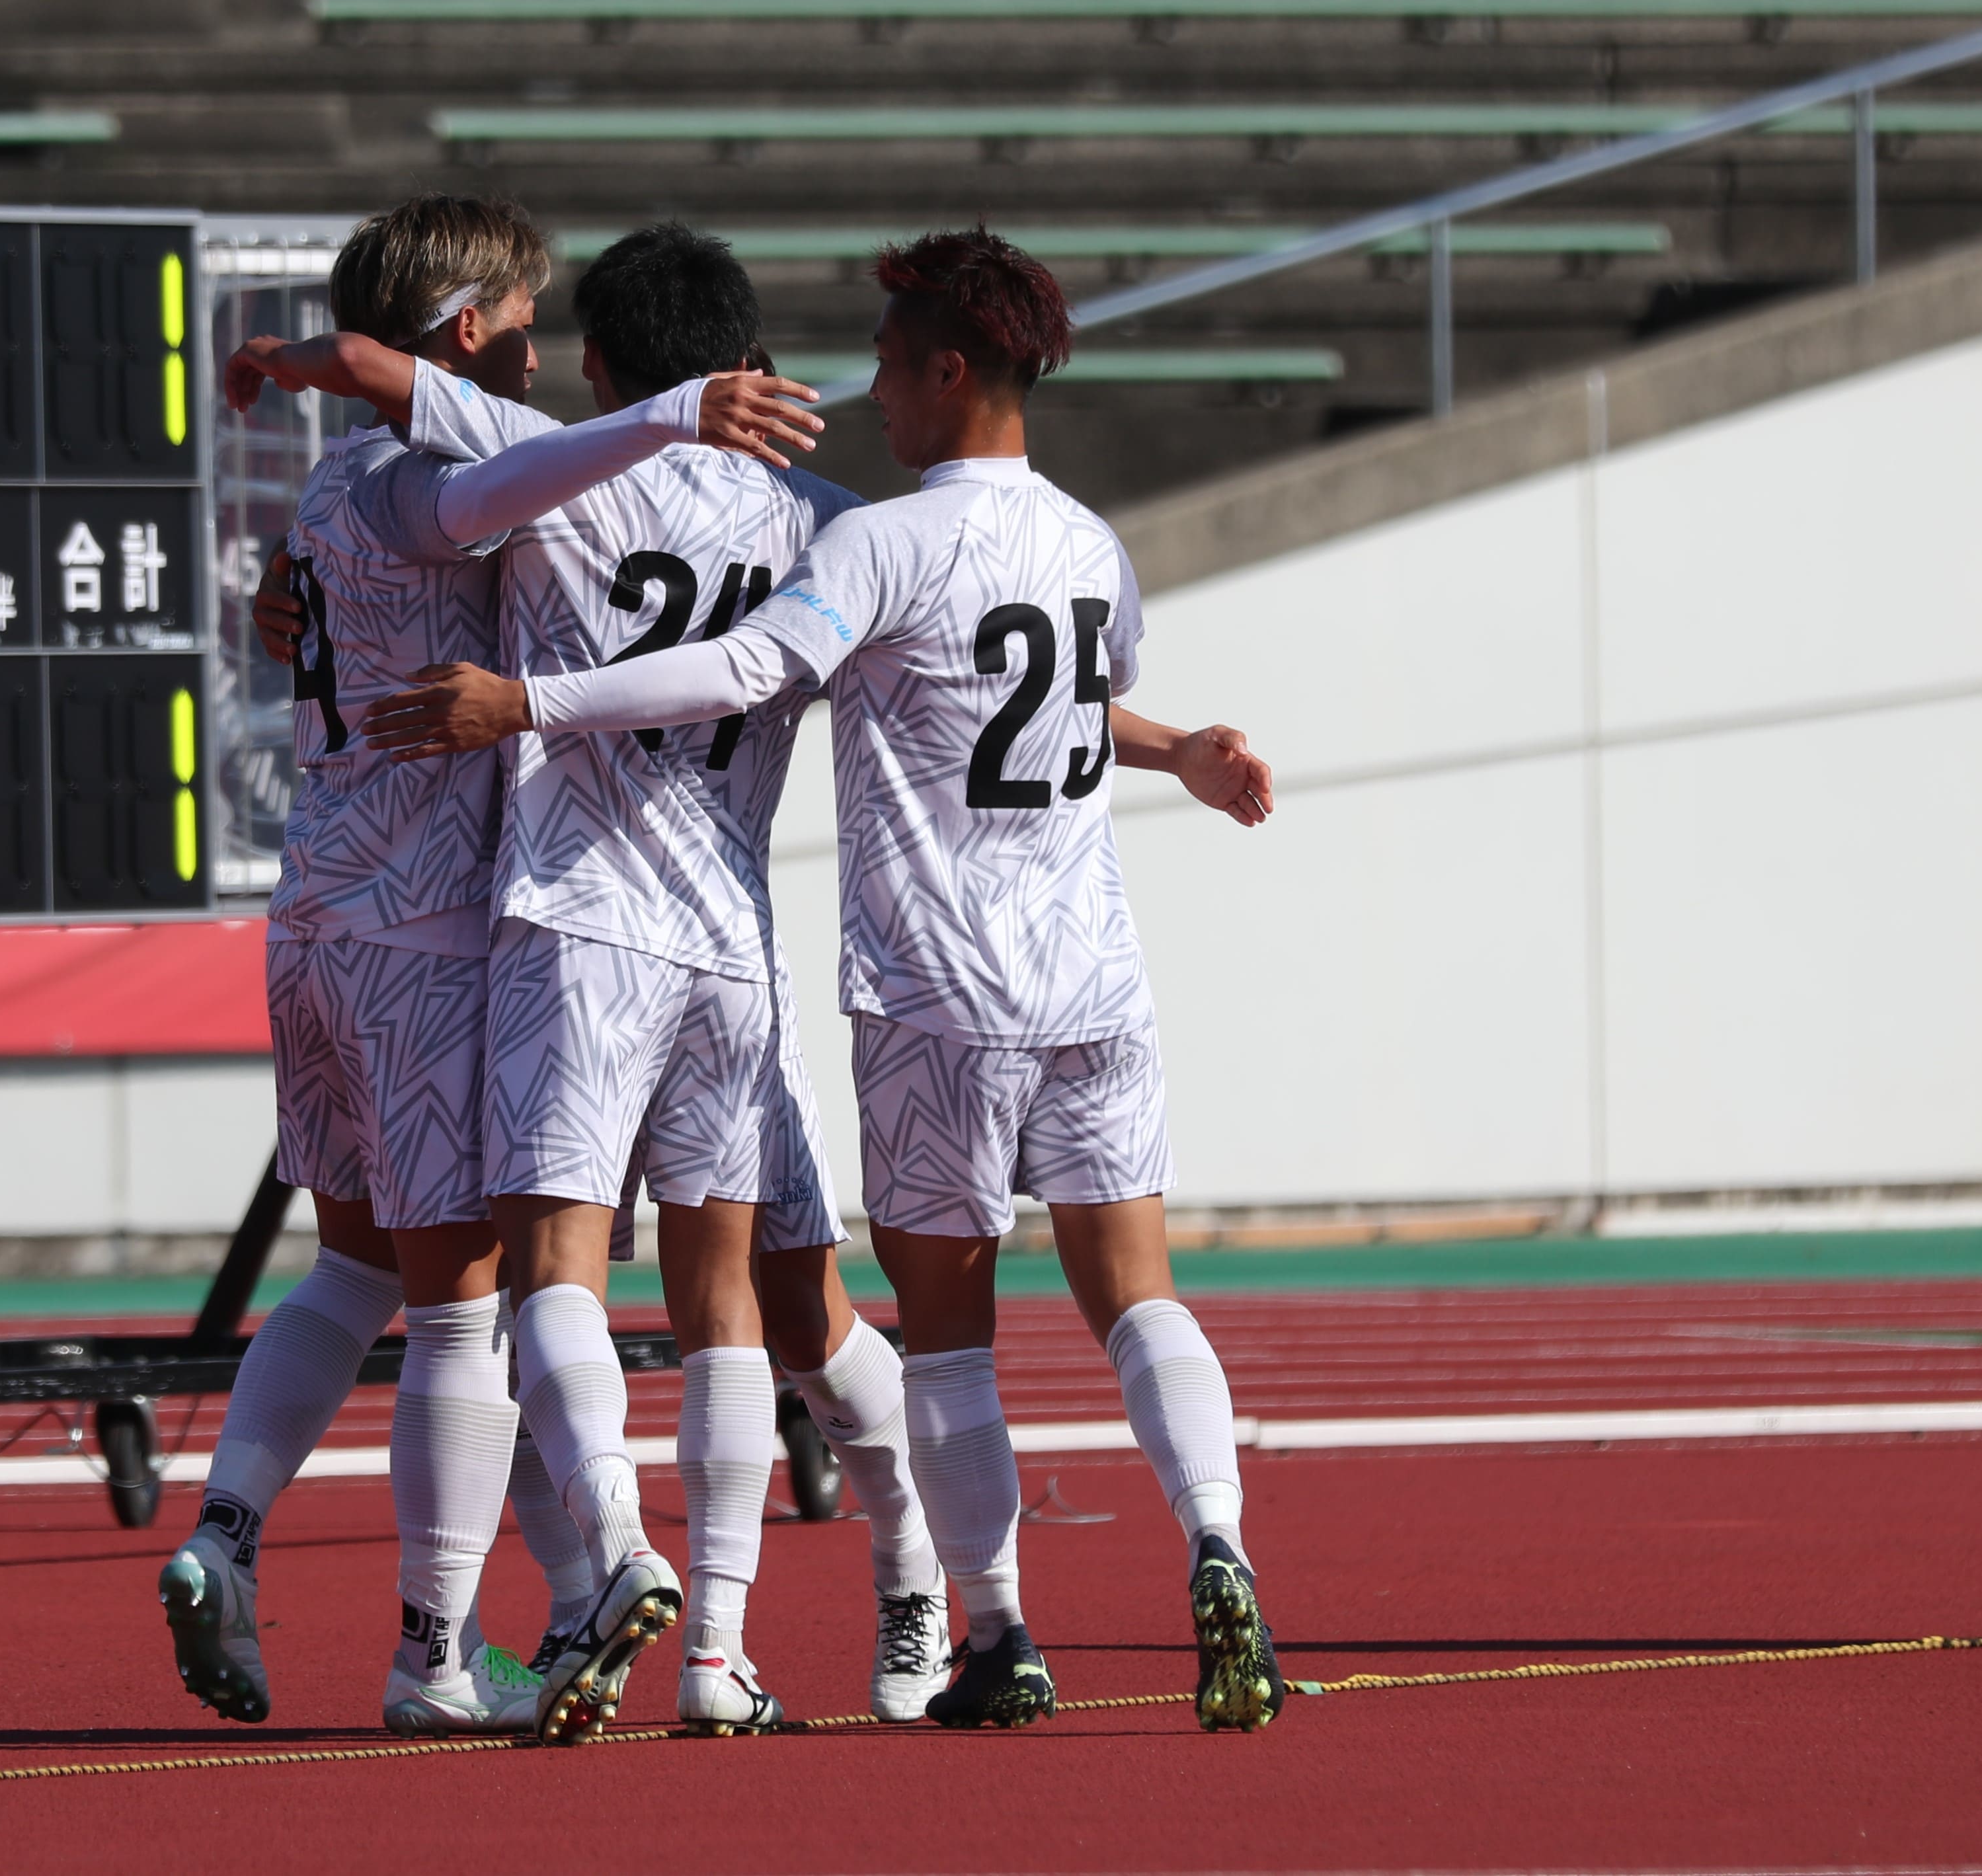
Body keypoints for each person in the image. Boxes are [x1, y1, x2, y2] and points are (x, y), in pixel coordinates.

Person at [358, 227, 1288, 1734]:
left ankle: (881, 1608)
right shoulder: (1016, 538)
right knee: (860, 1301)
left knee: (591, 1291)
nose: (870, 391)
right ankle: (1184, 1550)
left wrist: (505, 691)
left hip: (796, 964)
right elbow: (1040, 687)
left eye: (887, 366)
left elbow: (718, 651)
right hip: (1023, 974)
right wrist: (1175, 744)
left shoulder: (802, 529)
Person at [255, 224, 958, 1742]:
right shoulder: (826, 522)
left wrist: (287, 387)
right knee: (754, 1307)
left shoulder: (556, 470)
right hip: (732, 946)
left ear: (592, 364)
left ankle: (627, 1554)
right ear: (749, 364)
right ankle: (741, 1643)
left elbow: (387, 393)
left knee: (560, 1278)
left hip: (573, 930)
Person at [159, 195, 818, 1740]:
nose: (543, 349)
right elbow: (482, 486)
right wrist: (674, 413)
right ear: (465, 331)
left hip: (315, 917)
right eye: (522, 321)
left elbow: (340, 584)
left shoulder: (336, 480)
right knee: (463, 1313)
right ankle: (434, 1654)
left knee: (351, 1271)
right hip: (428, 934)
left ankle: (226, 1534)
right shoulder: (434, 481)